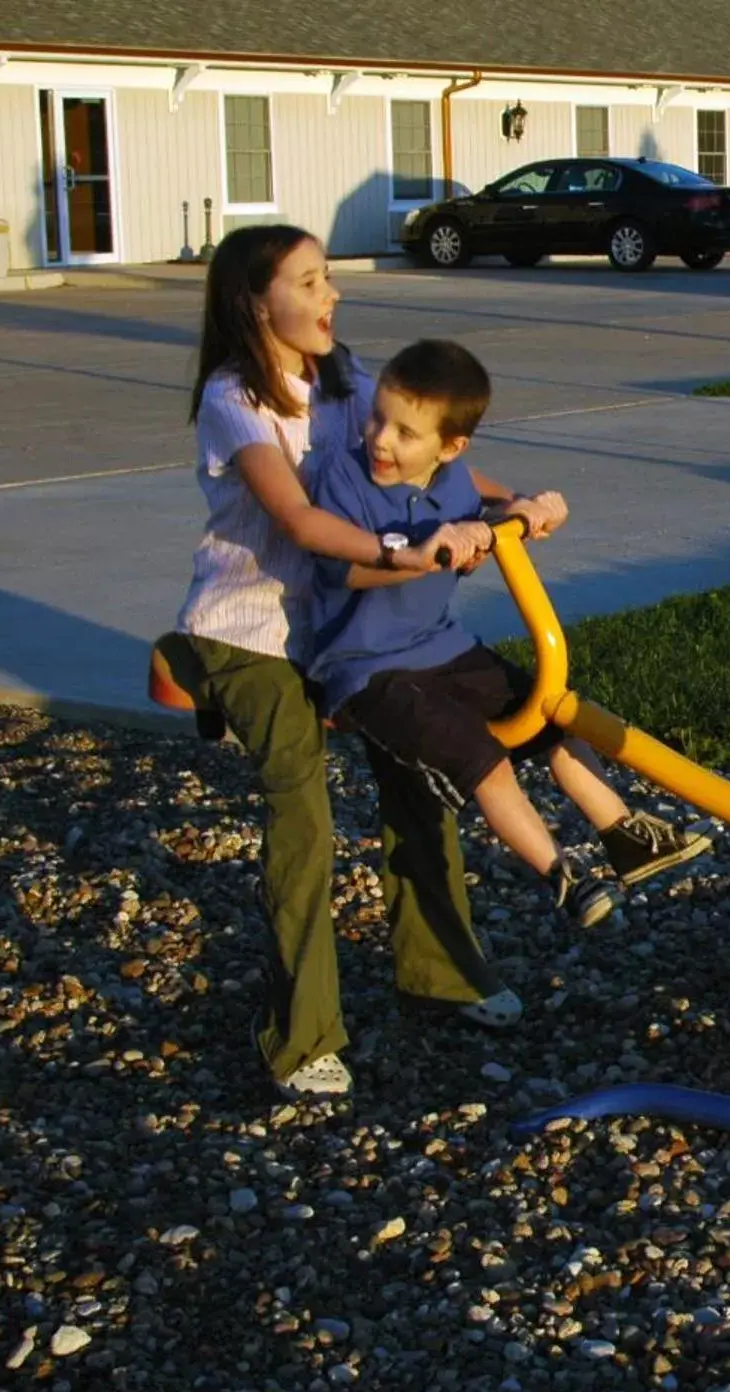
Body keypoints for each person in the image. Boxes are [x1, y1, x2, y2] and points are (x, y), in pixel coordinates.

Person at [166, 224, 556, 1099]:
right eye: (309, 282)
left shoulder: (343, 376)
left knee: (419, 775)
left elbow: (422, 443)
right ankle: (302, 1038)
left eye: (328, 277)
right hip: (255, 630)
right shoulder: (237, 398)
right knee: (302, 812)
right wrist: (414, 554)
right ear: (254, 301)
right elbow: (303, 525)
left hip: (352, 623)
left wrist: (503, 501)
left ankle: (442, 973)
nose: (329, 295)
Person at [308, 338, 709, 930]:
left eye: (404, 434)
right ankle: (564, 877)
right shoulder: (342, 478)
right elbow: (336, 568)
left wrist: (529, 507)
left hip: (441, 645)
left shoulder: (454, 481)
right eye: (378, 419)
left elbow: (490, 505)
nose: (381, 440)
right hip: (367, 667)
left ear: (450, 447)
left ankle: (625, 831)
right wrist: (416, 555)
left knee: (553, 715)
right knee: (486, 761)